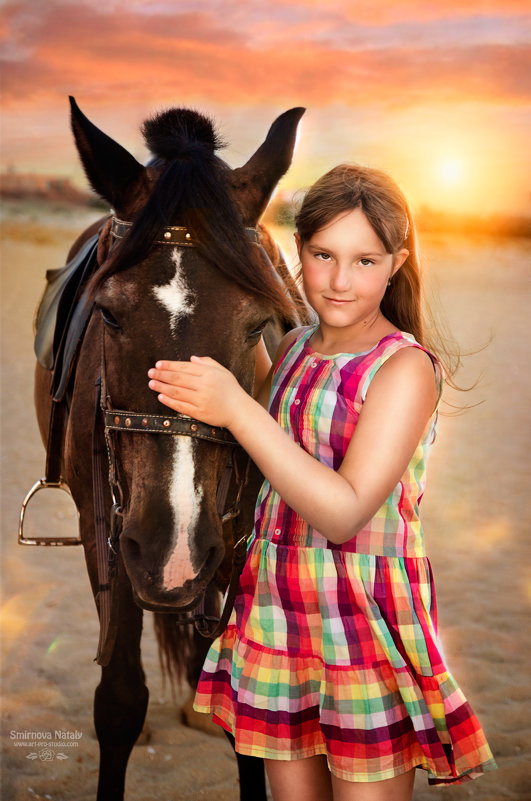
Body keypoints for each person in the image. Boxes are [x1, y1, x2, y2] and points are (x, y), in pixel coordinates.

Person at [147, 164, 496, 800]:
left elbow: (343, 513)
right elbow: (245, 422)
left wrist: (239, 408)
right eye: (322, 255)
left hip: (360, 621)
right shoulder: (293, 349)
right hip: (278, 618)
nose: (339, 281)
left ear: (397, 261)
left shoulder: (403, 369)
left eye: (365, 261)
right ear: (297, 250)